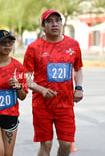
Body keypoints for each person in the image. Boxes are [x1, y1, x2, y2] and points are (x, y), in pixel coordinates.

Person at [23, 9, 84, 156]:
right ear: (43, 26)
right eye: (49, 21)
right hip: (42, 104)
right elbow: (25, 77)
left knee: (66, 144)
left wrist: (79, 88)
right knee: (46, 144)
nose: (54, 24)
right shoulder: (34, 48)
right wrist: (41, 89)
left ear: (61, 24)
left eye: (57, 20)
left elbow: (78, 68)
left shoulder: (73, 45)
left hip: (65, 103)